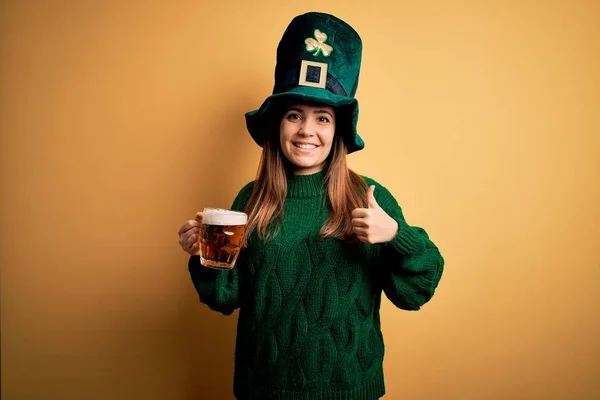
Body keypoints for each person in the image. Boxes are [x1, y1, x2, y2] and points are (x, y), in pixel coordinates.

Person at [177, 11, 444, 400]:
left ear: (338, 131)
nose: (306, 130)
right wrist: (203, 254)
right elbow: (225, 297)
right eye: (293, 115)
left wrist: (396, 236)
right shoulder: (249, 202)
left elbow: (417, 291)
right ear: (277, 125)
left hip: (348, 391)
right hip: (263, 389)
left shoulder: (368, 198)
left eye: (323, 118)